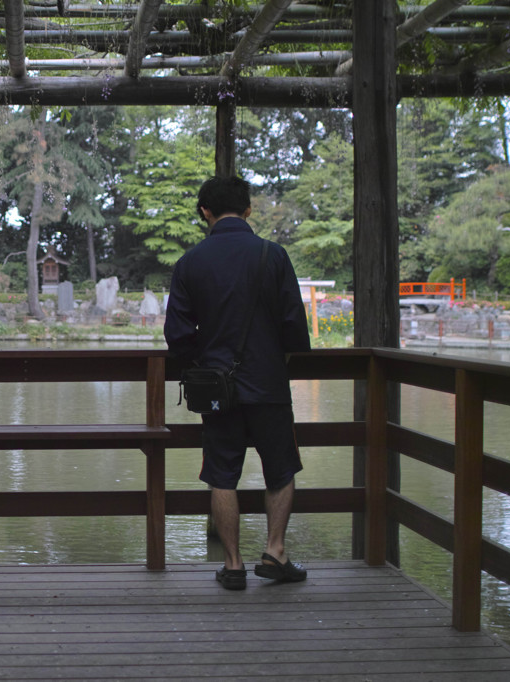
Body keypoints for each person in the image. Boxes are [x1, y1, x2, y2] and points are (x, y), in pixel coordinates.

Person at [164, 175, 311, 591]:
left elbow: (176, 335)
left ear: (205, 213)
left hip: (216, 391)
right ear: (248, 210)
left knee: (222, 474)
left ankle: (232, 565)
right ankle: (275, 550)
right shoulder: (274, 255)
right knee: (280, 470)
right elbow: (294, 329)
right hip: (268, 384)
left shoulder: (190, 263)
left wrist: (204, 365)